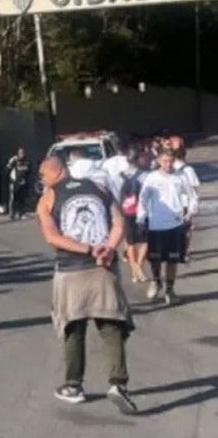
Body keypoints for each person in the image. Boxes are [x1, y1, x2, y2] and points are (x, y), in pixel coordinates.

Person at [35, 156, 137, 414]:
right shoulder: (98, 188)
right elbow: (119, 222)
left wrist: (88, 249)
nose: (42, 181)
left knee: (73, 326)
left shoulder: (48, 197)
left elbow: (52, 236)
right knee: (111, 325)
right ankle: (118, 384)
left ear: (53, 174)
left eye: (42, 177)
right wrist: (108, 248)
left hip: (71, 270)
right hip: (103, 268)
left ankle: (73, 385)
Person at [137, 149, 198, 305]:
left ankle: (170, 290)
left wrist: (190, 213)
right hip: (156, 224)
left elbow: (192, 196)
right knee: (156, 259)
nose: (168, 164)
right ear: (158, 161)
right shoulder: (151, 178)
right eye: (164, 161)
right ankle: (156, 281)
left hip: (175, 224)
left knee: (172, 259)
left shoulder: (180, 176)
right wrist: (141, 217)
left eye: (170, 161)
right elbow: (143, 199)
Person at [117, 150, 148, 283]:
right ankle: (139, 267)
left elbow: (115, 195)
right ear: (138, 159)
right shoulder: (145, 176)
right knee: (146, 241)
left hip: (125, 212)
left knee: (130, 243)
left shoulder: (118, 176)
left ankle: (134, 269)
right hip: (142, 211)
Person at [5, 148, 32, 220]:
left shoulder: (27, 162)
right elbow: (7, 169)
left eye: (23, 153)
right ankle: (12, 213)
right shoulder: (14, 161)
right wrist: (10, 162)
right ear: (18, 154)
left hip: (23, 183)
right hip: (14, 183)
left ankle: (21, 213)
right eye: (20, 153)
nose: (22, 154)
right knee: (14, 198)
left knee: (22, 199)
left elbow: (29, 171)